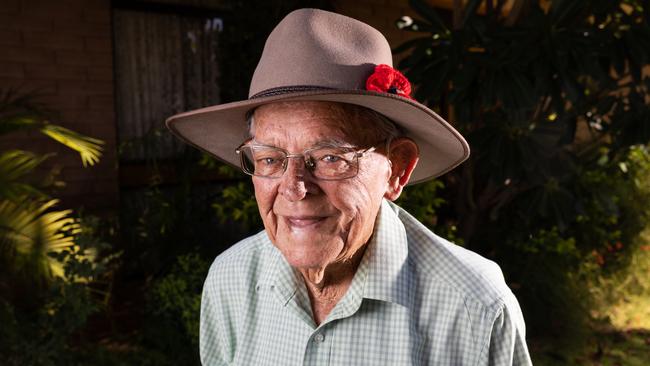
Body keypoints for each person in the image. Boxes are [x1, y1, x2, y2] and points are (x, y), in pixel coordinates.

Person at [167, 8, 532, 366]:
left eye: (329, 157)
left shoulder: (475, 308)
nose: (294, 188)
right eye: (269, 159)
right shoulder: (230, 278)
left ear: (396, 169)